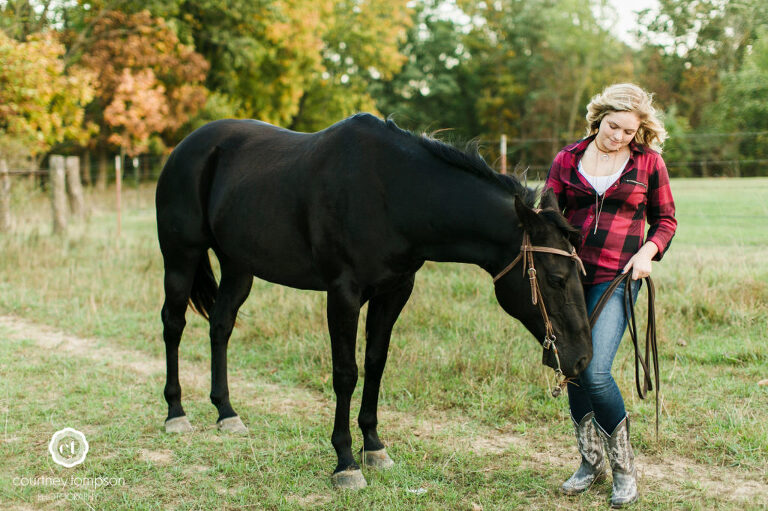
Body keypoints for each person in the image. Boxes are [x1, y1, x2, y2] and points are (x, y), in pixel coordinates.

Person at [545, 83, 677, 508]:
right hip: (569, 278)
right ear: (599, 117)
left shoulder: (648, 164)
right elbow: (548, 214)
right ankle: (590, 462)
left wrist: (648, 251)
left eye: (628, 131)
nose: (618, 136)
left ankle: (624, 469)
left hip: (618, 277)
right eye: (613, 126)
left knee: (596, 370)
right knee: (572, 367)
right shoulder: (567, 159)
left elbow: (666, 220)